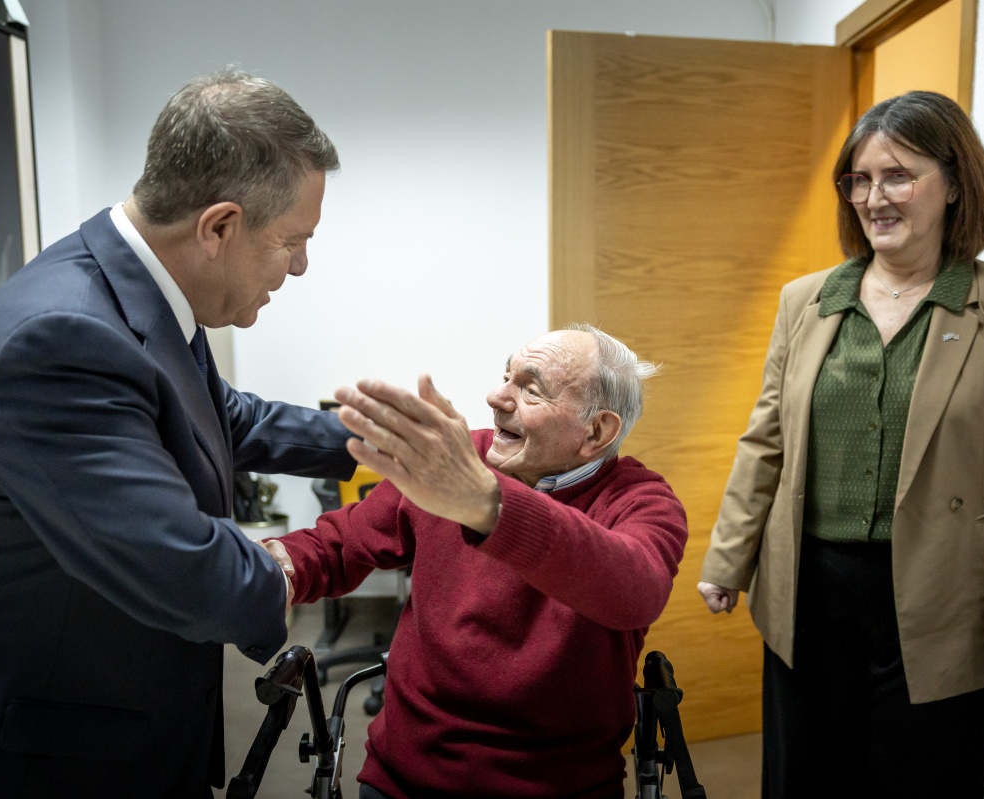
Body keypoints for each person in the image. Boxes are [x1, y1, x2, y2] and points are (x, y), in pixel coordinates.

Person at [0, 70, 357, 798]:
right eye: (291, 241)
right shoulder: (59, 339)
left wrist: (374, 442)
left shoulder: (140, 296)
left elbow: (226, 416)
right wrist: (291, 566)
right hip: (40, 762)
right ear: (219, 227)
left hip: (120, 726)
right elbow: (189, 570)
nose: (300, 266)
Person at [698, 90, 984, 798]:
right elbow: (766, 439)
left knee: (924, 780)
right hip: (810, 592)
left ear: (954, 183)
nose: (875, 198)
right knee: (806, 779)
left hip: (949, 596)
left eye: (898, 176)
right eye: (859, 180)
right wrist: (729, 558)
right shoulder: (806, 300)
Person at [264, 325, 689, 798]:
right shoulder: (461, 464)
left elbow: (636, 589)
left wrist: (491, 507)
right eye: (506, 377)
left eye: (531, 389)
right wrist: (275, 567)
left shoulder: (640, 501)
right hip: (403, 777)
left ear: (596, 431)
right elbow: (339, 545)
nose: (496, 397)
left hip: (557, 787)